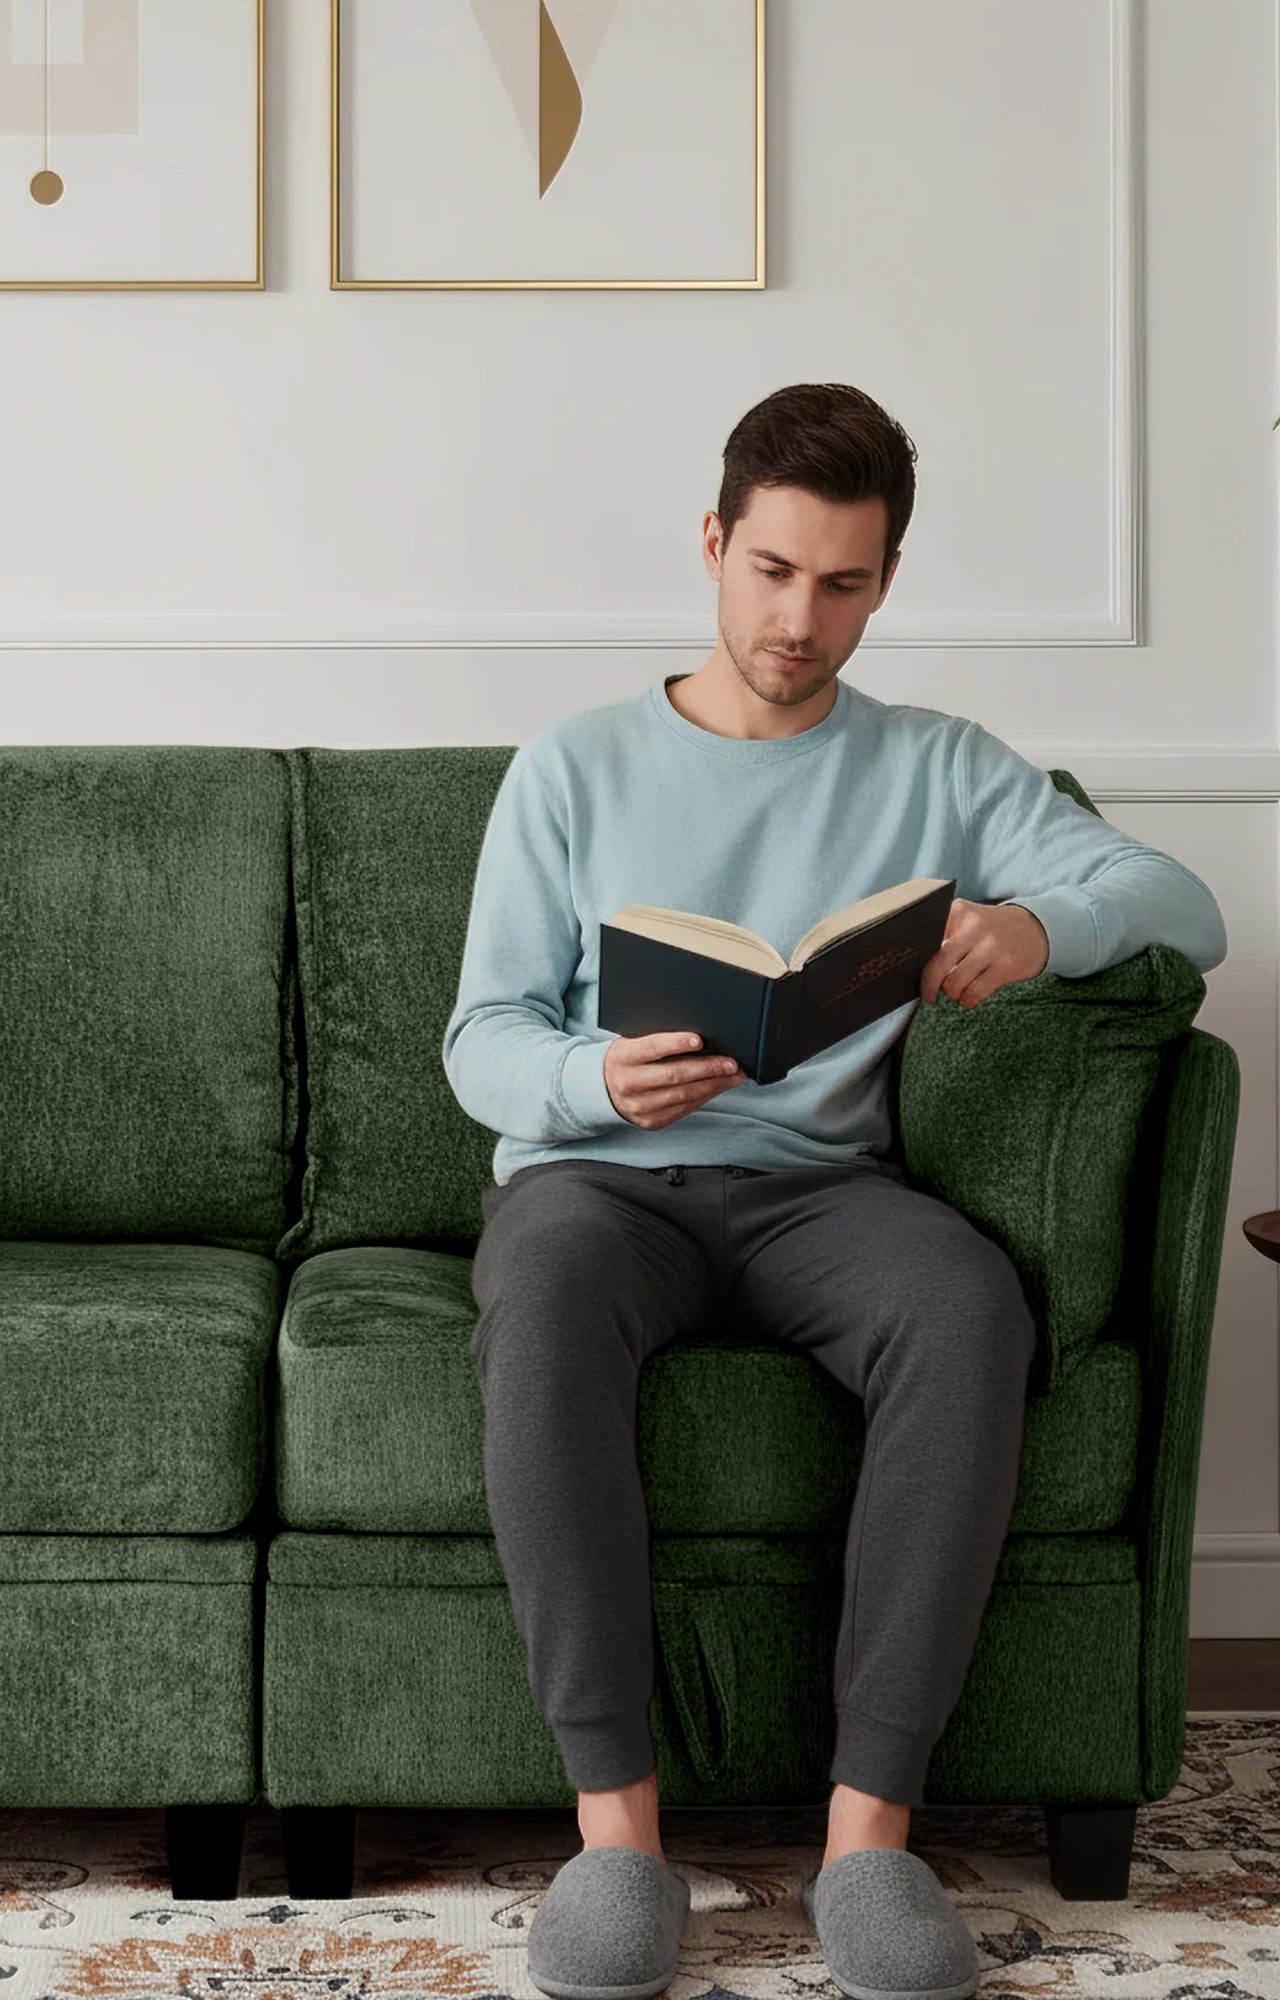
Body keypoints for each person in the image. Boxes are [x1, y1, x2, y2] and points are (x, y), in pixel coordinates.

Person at [441, 382, 1229, 2000]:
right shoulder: (576, 765)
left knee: (966, 1304)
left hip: (822, 1195)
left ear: (886, 583)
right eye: (775, 572)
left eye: (845, 585)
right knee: (540, 1297)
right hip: (607, 1185)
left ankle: (869, 1842)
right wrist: (597, 1080)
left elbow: (1187, 903)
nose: (801, 621)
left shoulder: (941, 767)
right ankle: (618, 1841)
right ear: (716, 544)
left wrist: (1040, 926)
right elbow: (481, 1037)